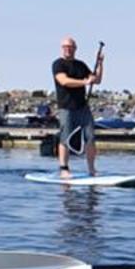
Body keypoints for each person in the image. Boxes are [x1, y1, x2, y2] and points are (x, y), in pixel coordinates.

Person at [51, 35, 103, 178]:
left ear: (75, 49)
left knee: (90, 137)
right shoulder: (58, 64)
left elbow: (96, 80)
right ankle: (64, 169)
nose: (68, 49)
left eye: (70, 47)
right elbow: (64, 81)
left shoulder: (81, 65)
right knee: (65, 137)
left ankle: (92, 169)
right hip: (66, 107)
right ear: (62, 49)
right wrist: (84, 82)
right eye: (65, 47)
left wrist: (100, 64)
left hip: (82, 107)